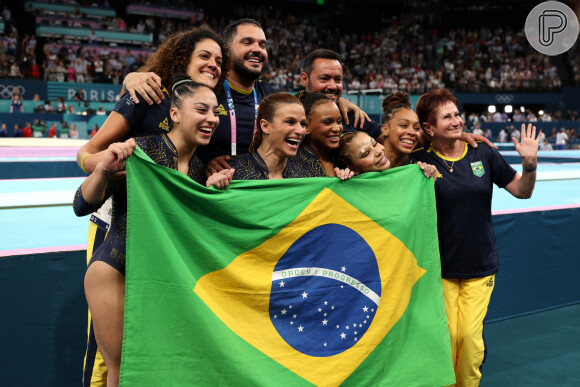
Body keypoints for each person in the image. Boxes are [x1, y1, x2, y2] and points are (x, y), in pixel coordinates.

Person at [75, 26, 230, 387]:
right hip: (117, 267)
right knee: (119, 370)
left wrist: (213, 191)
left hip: (160, 275)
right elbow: (81, 202)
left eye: (214, 111)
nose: (210, 117)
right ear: (175, 114)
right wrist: (102, 165)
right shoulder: (143, 142)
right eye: (204, 56)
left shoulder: (196, 165)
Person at [412, 88, 540, 387]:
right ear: (429, 128)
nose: (456, 121)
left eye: (457, 114)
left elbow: (523, 191)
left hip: (479, 265)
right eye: (447, 117)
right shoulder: (417, 161)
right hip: (437, 269)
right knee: (445, 340)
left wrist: (530, 165)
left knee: (469, 342)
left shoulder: (484, 152)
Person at [124, 20, 367, 174]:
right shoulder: (202, 92)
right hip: (205, 192)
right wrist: (132, 78)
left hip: (254, 193)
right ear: (227, 50)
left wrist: (336, 100)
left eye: (262, 44)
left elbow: (308, 111)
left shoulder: (272, 97)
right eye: (247, 42)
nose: (257, 50)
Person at [229, 92, 309, 180]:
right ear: (265, 126)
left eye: (303, 124)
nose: (301, 131)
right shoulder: (231, 173)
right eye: (290, 122)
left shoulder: (304, 177)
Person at [293, 90, 353, 179]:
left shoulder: (344, 158)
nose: (337, 128)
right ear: (306, 126)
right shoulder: (292, 163)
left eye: (339, 121)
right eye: (328, 122)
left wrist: (351, 175)